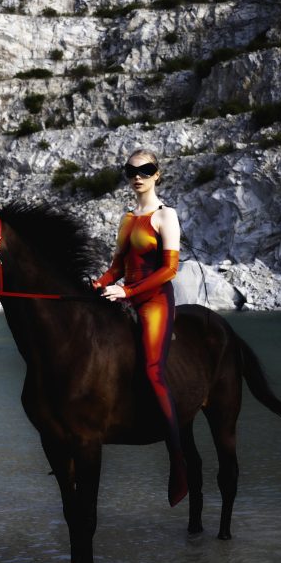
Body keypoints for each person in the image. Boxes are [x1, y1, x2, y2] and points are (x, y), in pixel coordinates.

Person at [93, 149, 188, 507]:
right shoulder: (128, 218)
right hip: (125, 295)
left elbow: (169, 269)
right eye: (131, 171)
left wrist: (129, 291)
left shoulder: (166, 216)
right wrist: (98, 284)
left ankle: (177, 458)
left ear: (157, 174)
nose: (138, 176)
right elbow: (117, 266)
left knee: (152, 370)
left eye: (145, 170)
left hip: (154, 300)